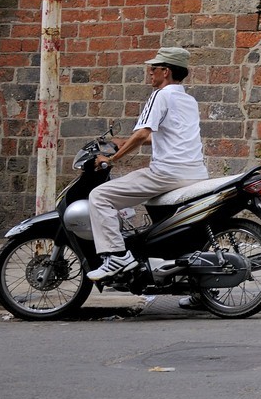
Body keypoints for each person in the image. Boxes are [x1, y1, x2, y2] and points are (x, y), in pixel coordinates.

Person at [86, 46, 208, 281]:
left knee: (100, 197)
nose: (150, 73)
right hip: (195, 173)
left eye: (153, 69)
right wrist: (124, 143)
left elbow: (143, 133)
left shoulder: (160, 95)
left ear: (166, 71)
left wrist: (111, 159)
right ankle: (198, 285)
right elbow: (169, 135)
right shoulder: (188, 99)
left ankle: (117, 256)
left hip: (167, 174)